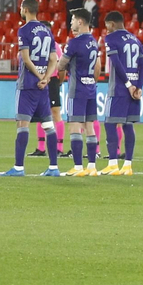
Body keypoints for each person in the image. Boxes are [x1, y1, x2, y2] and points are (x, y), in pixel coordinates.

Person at [1, 0, 61, 177]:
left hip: (28, 84)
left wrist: (38, 76)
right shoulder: (47, 31)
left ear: (26, 9)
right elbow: (54, 60)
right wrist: (46, 77)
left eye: (21, 8)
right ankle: (53, 167)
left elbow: (26, 59)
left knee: (22, 123)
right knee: (48, 124)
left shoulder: (24, 30)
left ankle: (18, 167)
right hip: (43, 86)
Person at [101, 11, 143, 175]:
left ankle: (112, 163)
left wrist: (127, 84)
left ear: (111, 24)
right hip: (134, 90)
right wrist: (138, 86)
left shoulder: (111, 39)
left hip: (119, 88)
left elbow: (116, 63)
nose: (106, 30)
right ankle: (128, 165)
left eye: (107, 26)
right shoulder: (135, 39)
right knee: (128, 124)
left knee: (109, 123)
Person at [61, 9, 101, 176]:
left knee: (75, 127)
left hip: (77, 89)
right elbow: (98, 66)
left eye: (72, 20)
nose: (70, 23)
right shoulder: (94, 41)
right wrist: (92, 80)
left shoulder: (74, 43)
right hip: (91, 87)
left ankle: (78, 167)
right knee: (90, 126)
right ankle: (92, 166)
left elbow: (61, 65)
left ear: (80, 22)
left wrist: (61, 63)